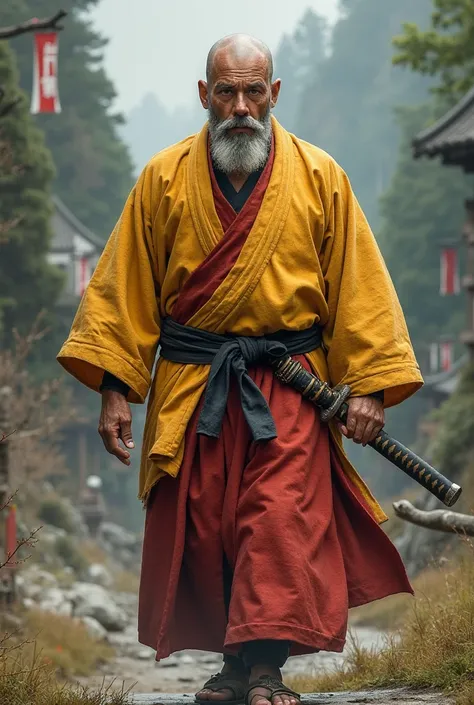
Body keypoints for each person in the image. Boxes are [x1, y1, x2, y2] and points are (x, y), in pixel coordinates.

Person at [58, 34, 423, 705]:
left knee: (279, 519)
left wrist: (368, 383)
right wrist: (116, 389)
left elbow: (360, 286)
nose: (240, 107)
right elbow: (126, 289)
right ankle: (233, 666)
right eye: (225, 91)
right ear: (205, 95)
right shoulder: (165, 180)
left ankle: (267, 670)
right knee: (210, 523)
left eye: (254, 91)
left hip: (293, 386)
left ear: (275, 93)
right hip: (196, 385)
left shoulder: (320, 177)